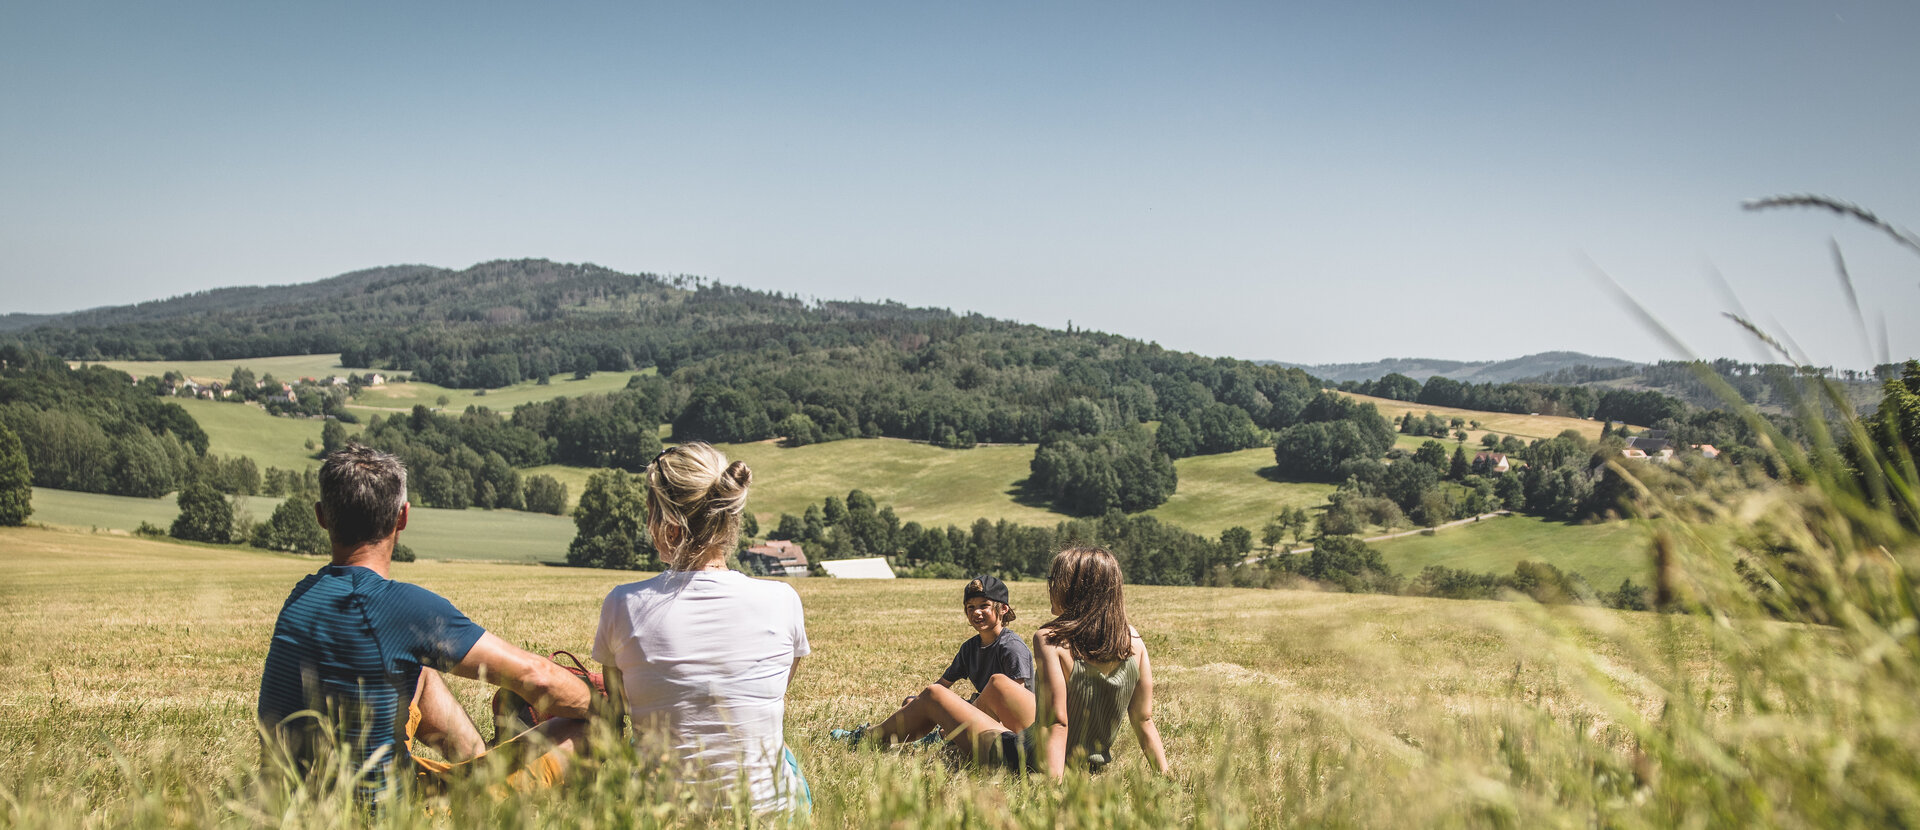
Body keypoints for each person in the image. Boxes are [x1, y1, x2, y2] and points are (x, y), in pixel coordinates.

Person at [256, 445, 594, 804]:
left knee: (418, 672)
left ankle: (479, 758)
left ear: (322, 516)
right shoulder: (400, 606)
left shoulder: (301, 595)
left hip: (289, 803)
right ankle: (476, 803)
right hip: (382, 815)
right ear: (402, 517)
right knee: (584, 729)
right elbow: (536, 677)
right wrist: (600, 704)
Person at [592, 442, 811, 815]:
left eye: (650, 513)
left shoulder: (622, 604)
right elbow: (767, 696)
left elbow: (620, 709)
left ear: (668, 525)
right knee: (781, 751)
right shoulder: (783, 599)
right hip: (771, 817)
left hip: (659, 815)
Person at [866, 547, 1170, 779]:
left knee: (933, 695)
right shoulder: (1135, 641)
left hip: (1033, 758)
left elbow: (1057, 721)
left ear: (1075, 589)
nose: (1050, 586)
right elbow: (1143, 720)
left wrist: (1053, 786)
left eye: (1055, 580)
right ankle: (957, 740)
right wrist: (1164, 775)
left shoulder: (1050, 638)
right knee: (998, 683)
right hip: (1089, 762)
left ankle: (868, 739)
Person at [844, 573, 1035, 746]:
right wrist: (918, 705)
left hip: (1006, 721)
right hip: (980, 708)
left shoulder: (1011, 647)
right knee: (913, 701)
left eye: (984, 605)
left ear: (1003, 609)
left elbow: (1010, 702)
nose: (976, 612)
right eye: (970, 607)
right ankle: (922, 736)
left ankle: (872, 736)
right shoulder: (970, 648)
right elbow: (943, 685)